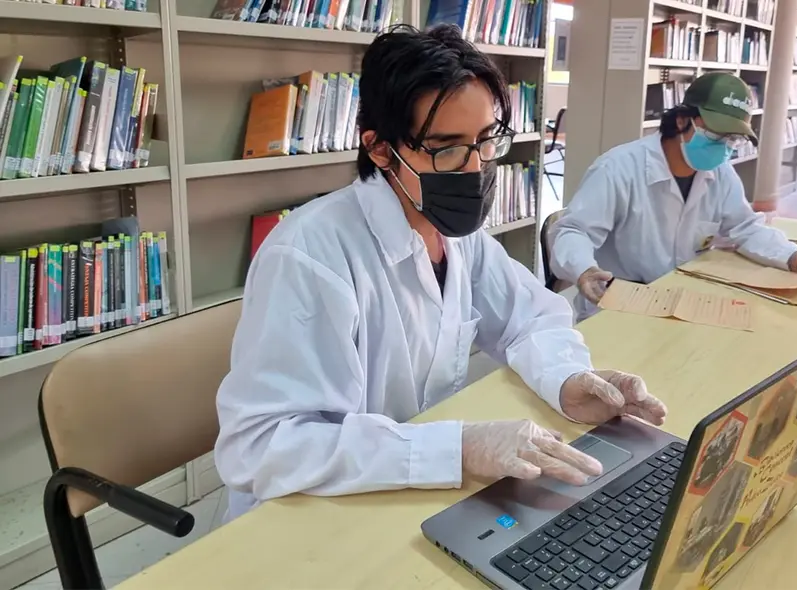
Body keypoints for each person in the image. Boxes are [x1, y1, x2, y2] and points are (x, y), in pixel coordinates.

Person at [214, 24, 667, 521]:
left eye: (486, 140)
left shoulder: (453, 233)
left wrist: (567, 381)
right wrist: (458, 449)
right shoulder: (309, 256)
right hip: (307, 514)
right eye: (447, 148)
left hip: (411, 496)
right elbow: (263, 446)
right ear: (381, 149)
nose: (475, 168)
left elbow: (529, 319)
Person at [549, 72, 797, 321]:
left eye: (731, 139)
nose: (723, 147)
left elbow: (746, 228)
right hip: (618, 303)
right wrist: (584, 270)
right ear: (683, 121)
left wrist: (795, 256)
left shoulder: (720, 173)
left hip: (683, 299)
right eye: (715, 134)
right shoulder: (619, 168)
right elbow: (574, 231)